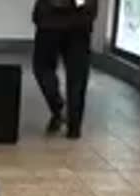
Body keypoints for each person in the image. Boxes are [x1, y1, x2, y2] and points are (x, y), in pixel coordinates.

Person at [32, 0, 98, 139]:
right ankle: (74, 126)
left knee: (42, 68)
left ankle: (58, 108)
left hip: (50, 23)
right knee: (77, 76)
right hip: (78, 23)